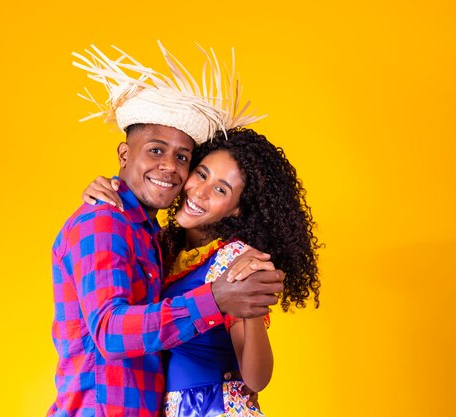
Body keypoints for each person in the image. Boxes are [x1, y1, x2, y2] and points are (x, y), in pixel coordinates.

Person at [48, 44, 283, 417]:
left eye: (183, 157)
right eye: (156, 151)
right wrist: (215, 300)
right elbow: (109, 330)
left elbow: (248, 369)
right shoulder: (104, 221)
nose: (170, 168)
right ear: (125, 155)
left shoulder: (153, 239)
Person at [82, 128, 321, 416]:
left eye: (221, 190)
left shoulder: (232, 258)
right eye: (202, 174)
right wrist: (110, 187)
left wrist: (253, 309)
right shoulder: (162, 246)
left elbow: (257, 379)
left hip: (215, 407)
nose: (201, 192)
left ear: (236, 210)